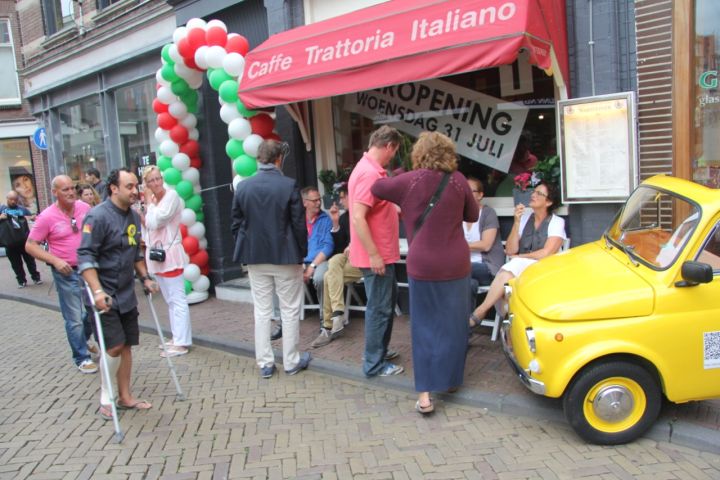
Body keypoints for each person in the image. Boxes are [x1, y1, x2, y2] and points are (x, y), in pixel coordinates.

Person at [372, 131, 478, 414]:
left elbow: (378, 188)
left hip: (423, 265)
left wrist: (400, 173)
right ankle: (452, 381)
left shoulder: (409, 180)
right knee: (454, 326)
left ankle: (425, 396)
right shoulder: (458, 181)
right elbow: (473, 216)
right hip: (455, 263)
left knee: (424, 328)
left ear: (419, 153)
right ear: (448, 153)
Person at [77, 167, 159, 421]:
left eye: (136, 186)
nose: (136, 191)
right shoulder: (97, 217)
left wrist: (145, 277)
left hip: (125, 292)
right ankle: (106, 397)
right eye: (130, 187)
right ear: (114, 188)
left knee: (126, 346)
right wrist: (98, 290)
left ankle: (125, 396)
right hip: (104, 293)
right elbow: (85, 256)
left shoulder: (133, 217)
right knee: (112, 346)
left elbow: (135, 253)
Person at [231, 140, 312, 379]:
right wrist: (302, 253)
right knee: (289, 310)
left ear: (259, 159)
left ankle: (265, 363)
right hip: (286, 257)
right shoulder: (288, 185)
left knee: (262, 310)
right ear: (278, 160)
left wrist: (247, 246)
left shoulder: (243, 187)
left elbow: (236, 224)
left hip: (255, 258)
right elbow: (298, 224)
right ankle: (291, 361)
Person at [348, 125, 404, 377]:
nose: (393, 157)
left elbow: (371, 209)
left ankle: (378, 349)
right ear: (389, 146)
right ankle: (374, 364)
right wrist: (373, 255)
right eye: (395, 152)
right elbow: (359, 217)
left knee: (384, 304)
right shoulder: (370, 174)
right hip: (377, 256)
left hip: (380, 253)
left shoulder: (368, 169)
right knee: (380, 308)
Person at [25, 175, 97, 374]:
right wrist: (55, 260)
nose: (71, 192)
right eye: (65, 189)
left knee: (92, 310)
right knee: (74, 316)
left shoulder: (84, 208)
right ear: (54, 192)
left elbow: (95, 231)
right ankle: (81, 357)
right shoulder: (47, 217)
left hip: (89, 267)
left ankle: (85, 338)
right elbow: (30, 246)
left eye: (72, 188)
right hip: (66, 272)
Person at [469, 181, 566, 327]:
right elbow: (510, 250)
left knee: (510, 269)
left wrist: (520, 257)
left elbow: (547, 253)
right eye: (534, 191)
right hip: (521, 268)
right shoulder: (526, 218)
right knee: (507, 277)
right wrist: (516, 222)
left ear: (549, 202)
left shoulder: (557, 222)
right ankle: (496, 318)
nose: (533, 195)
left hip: (543, 268)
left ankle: (484, 312)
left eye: (539, 193)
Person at [142, 166, 192, 357]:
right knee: (169, 299)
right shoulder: (154, 200)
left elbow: (155, 222)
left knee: (177, 298)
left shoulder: (171, 196)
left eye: (158, 179)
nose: (156, 183)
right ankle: (176, 336)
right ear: (146, 184)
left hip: (170, 254)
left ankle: (182, 341)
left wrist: (149, 205)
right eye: (151, 181)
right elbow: (148, 226)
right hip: (157, 254)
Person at [311, 185, 364, 348]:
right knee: (334, 262)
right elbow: (338, 249)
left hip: (363, 261)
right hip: (346, 260)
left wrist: (355, 245)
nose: (340, 201)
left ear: (352, 197)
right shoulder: (343, 218)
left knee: (328, 276)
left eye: (343, 197)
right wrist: (335, 223)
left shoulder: (364, 213)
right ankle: (337, 315)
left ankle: (328, 325)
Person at [464, 177, 505, 297]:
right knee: (469, 284)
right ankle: (469, 316)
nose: (466, 194)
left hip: (487, 267)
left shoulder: (488, 213)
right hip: (466, 269)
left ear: (480, 195)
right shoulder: (457, 215)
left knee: (450, 269)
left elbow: (486, 245)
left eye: (471, 191)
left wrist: (459, 247)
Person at [0, 190, 42, 287]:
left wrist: (32, 218)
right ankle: (21, 281)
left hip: (24, 241)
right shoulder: (1, 209)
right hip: (9, 242)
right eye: (11, 199)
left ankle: (36, 277)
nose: (13, 202)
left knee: (30, 261)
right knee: (16, 264)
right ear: (7, 199)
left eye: (15, 200)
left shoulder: (23, 209)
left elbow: (32, 218)